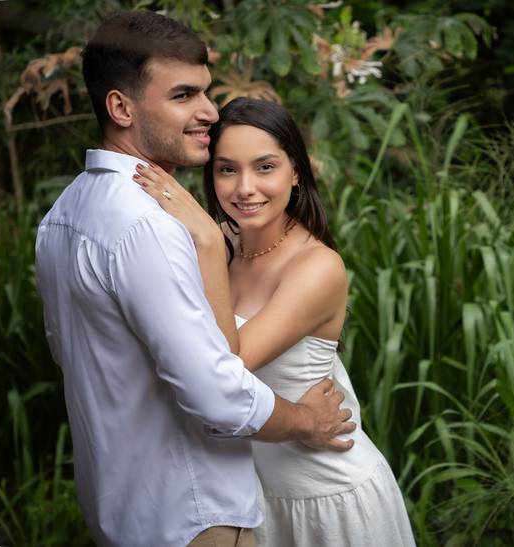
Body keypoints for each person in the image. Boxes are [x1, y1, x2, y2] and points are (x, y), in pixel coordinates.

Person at [34, 11, 354, 547]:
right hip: (194, 517)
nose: (209, 112)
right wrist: (306, 421)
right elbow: (218, 394)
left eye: (206, 93)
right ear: (121, 107)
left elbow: (71, 355)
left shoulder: (63, 216)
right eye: (183, 95)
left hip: (122, 508)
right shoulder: (149, 228)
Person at [132, 97, 416, 546]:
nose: (245, 187)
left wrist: (205, 239)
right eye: (227, 169)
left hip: (329, 499)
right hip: (255, 499)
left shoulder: (316, 267)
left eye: (265, 167)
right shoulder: (225, 252)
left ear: (296, 172)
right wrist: (212, 246)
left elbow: (227, 364)